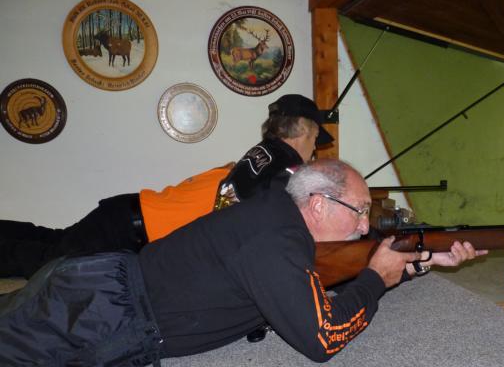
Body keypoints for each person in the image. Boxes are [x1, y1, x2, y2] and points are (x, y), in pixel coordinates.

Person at [0, 160, 486, 367]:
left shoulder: (278, 214)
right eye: (359, 211)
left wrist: (418, 263)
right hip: (99, 318)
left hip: (99, 289)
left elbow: (314, 286)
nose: (365, 225)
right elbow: (324, 336)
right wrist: (377, 278)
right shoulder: (274, 242)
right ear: (319, 204)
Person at [0, 94, 332, 278]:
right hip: (129, 226)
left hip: (126, 216)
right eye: (316, 137)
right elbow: (253, 214)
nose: (315, 148)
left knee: (51, 241)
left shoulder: (255, 159)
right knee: (45, 263)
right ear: (303, 129)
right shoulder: (278, 163)